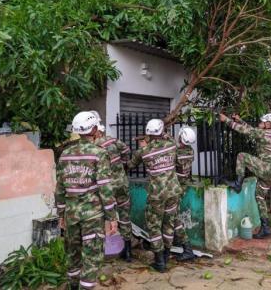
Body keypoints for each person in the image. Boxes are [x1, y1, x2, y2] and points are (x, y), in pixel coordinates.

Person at [55, 111, 118, 290]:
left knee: (72, 256)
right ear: (95, 129)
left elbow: (59, 189)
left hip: (71, 214)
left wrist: (61, 214)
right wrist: (112, 217)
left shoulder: (65, 154)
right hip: (92, 216)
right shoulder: (99, 153)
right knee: (91, 259)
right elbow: (105, 188)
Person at [127, 119, 182, 272]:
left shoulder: (144, 152)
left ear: (148, 133)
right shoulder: (171, 145)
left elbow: (130, 165)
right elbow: (173, 150)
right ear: (162, 131)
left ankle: (159, 261)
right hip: (173, 191)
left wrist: (143, 146)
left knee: (154, 226)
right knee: (168, 224)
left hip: (157, 194)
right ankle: (165, 257)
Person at [219, 113, 271, 239]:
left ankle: (238, 184)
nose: (260, 121)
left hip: (269, 169)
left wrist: (226, 120)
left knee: (242, 156)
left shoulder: (264, 133)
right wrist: (240, 120)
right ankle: (266, 228)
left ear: (268, 124)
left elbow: (247, 131)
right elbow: (252, 130)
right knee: (259, 197)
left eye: (263, 121)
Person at [90, 111, 133, 262]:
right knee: (125, 215)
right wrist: (122, 165)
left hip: (106, 187)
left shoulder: (93, 147)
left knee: (104, 217)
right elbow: (127, 151)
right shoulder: (113, 140)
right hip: (121, 183)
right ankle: (128, 252)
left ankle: (103, 251)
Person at [173, 126, 196, 262]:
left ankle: (188, 249)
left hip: (176, 187)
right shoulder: (190, 151)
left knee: (173, 217)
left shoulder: (177, 152)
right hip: (182, 186)